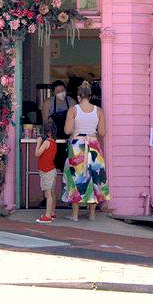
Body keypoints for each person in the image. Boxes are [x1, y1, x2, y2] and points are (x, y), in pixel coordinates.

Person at [62, 81, 109, 220]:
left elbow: (67, 130)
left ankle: (75, 214)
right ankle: (92, 214)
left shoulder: (73, 110)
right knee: (95, 177)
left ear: (78, 96)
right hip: (93, 145)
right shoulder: (98, 110)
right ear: (90, 96)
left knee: (76, 178)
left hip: (78, 145)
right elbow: (102, 132)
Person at [43, 80, 72, 172]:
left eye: (62, 90)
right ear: (53, 93)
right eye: (58, 92)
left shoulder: (72, 102)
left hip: (69, 138)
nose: (61, 93)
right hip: (54, 138)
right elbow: (46, 121)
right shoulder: (48, 103)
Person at [34, 120, 59, 224]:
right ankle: (52, 212)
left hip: (47, 171)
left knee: (47, 194)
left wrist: (38, 142)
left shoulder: (46, 143)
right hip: (51, 170)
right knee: (52, 192)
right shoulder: (53, 142)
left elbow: (37, 153)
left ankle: (47, 215)